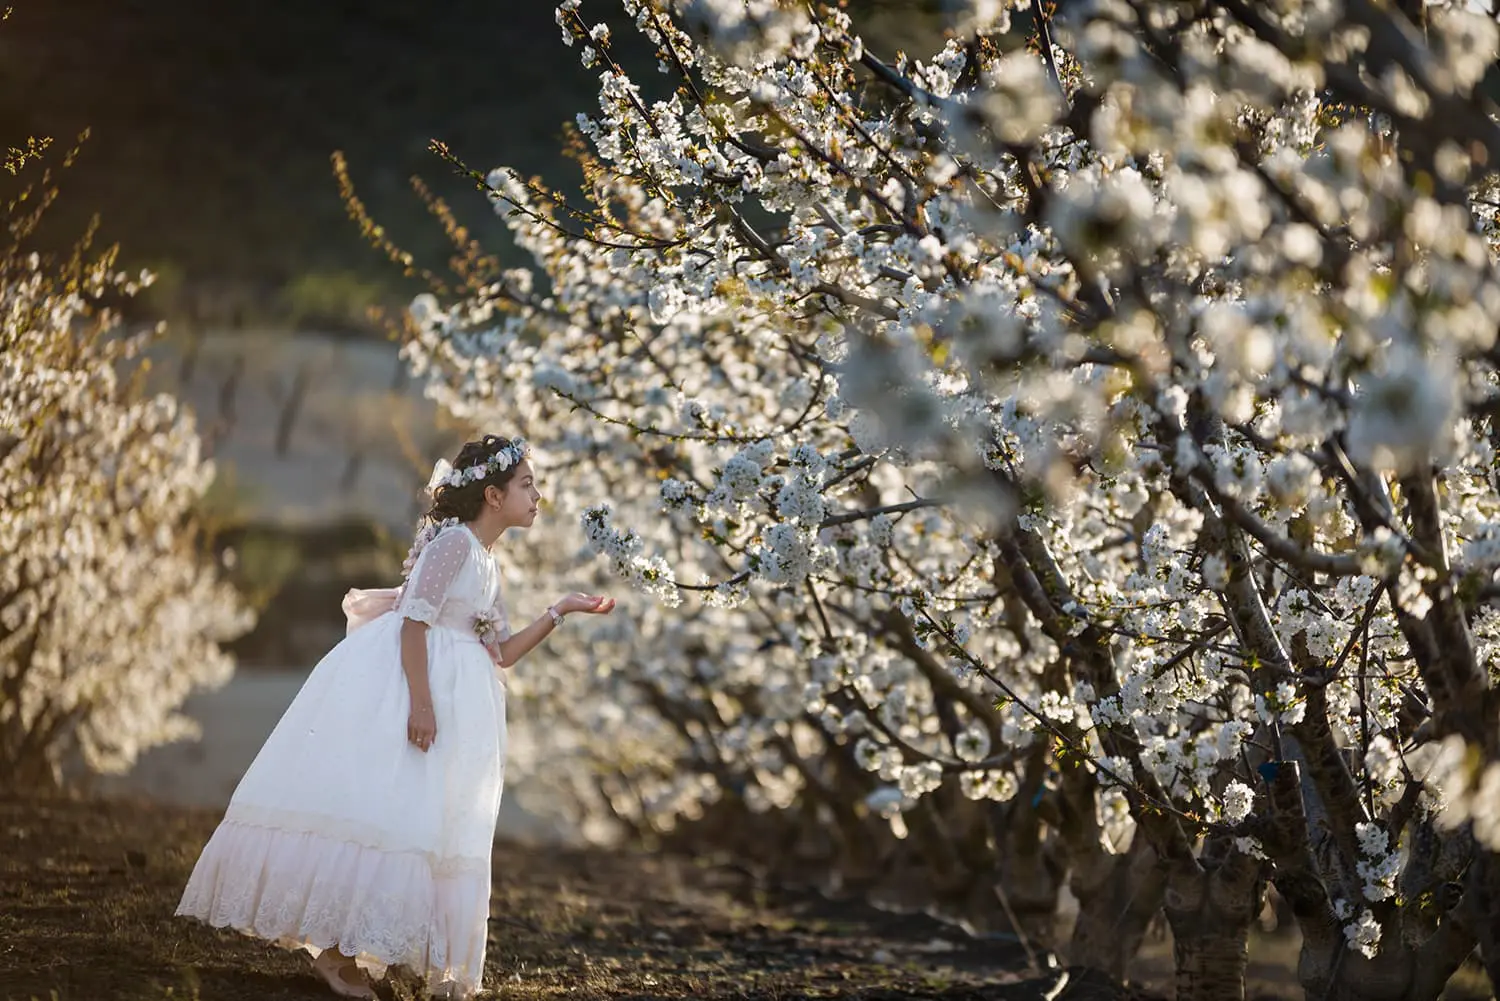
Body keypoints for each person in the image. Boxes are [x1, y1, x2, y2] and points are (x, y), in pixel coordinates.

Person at [174, 434, 614, 999]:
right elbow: (412, 622)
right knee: (386, 809)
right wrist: (422, 705)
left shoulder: (485, 559)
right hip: (412, 689)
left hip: (461, 700)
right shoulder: (453, 545)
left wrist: (562, 610)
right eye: (528, 484)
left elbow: (500, 651)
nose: (538, 496)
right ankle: (334, 954)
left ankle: (354, 951)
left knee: (421, 823)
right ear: (493, 494)